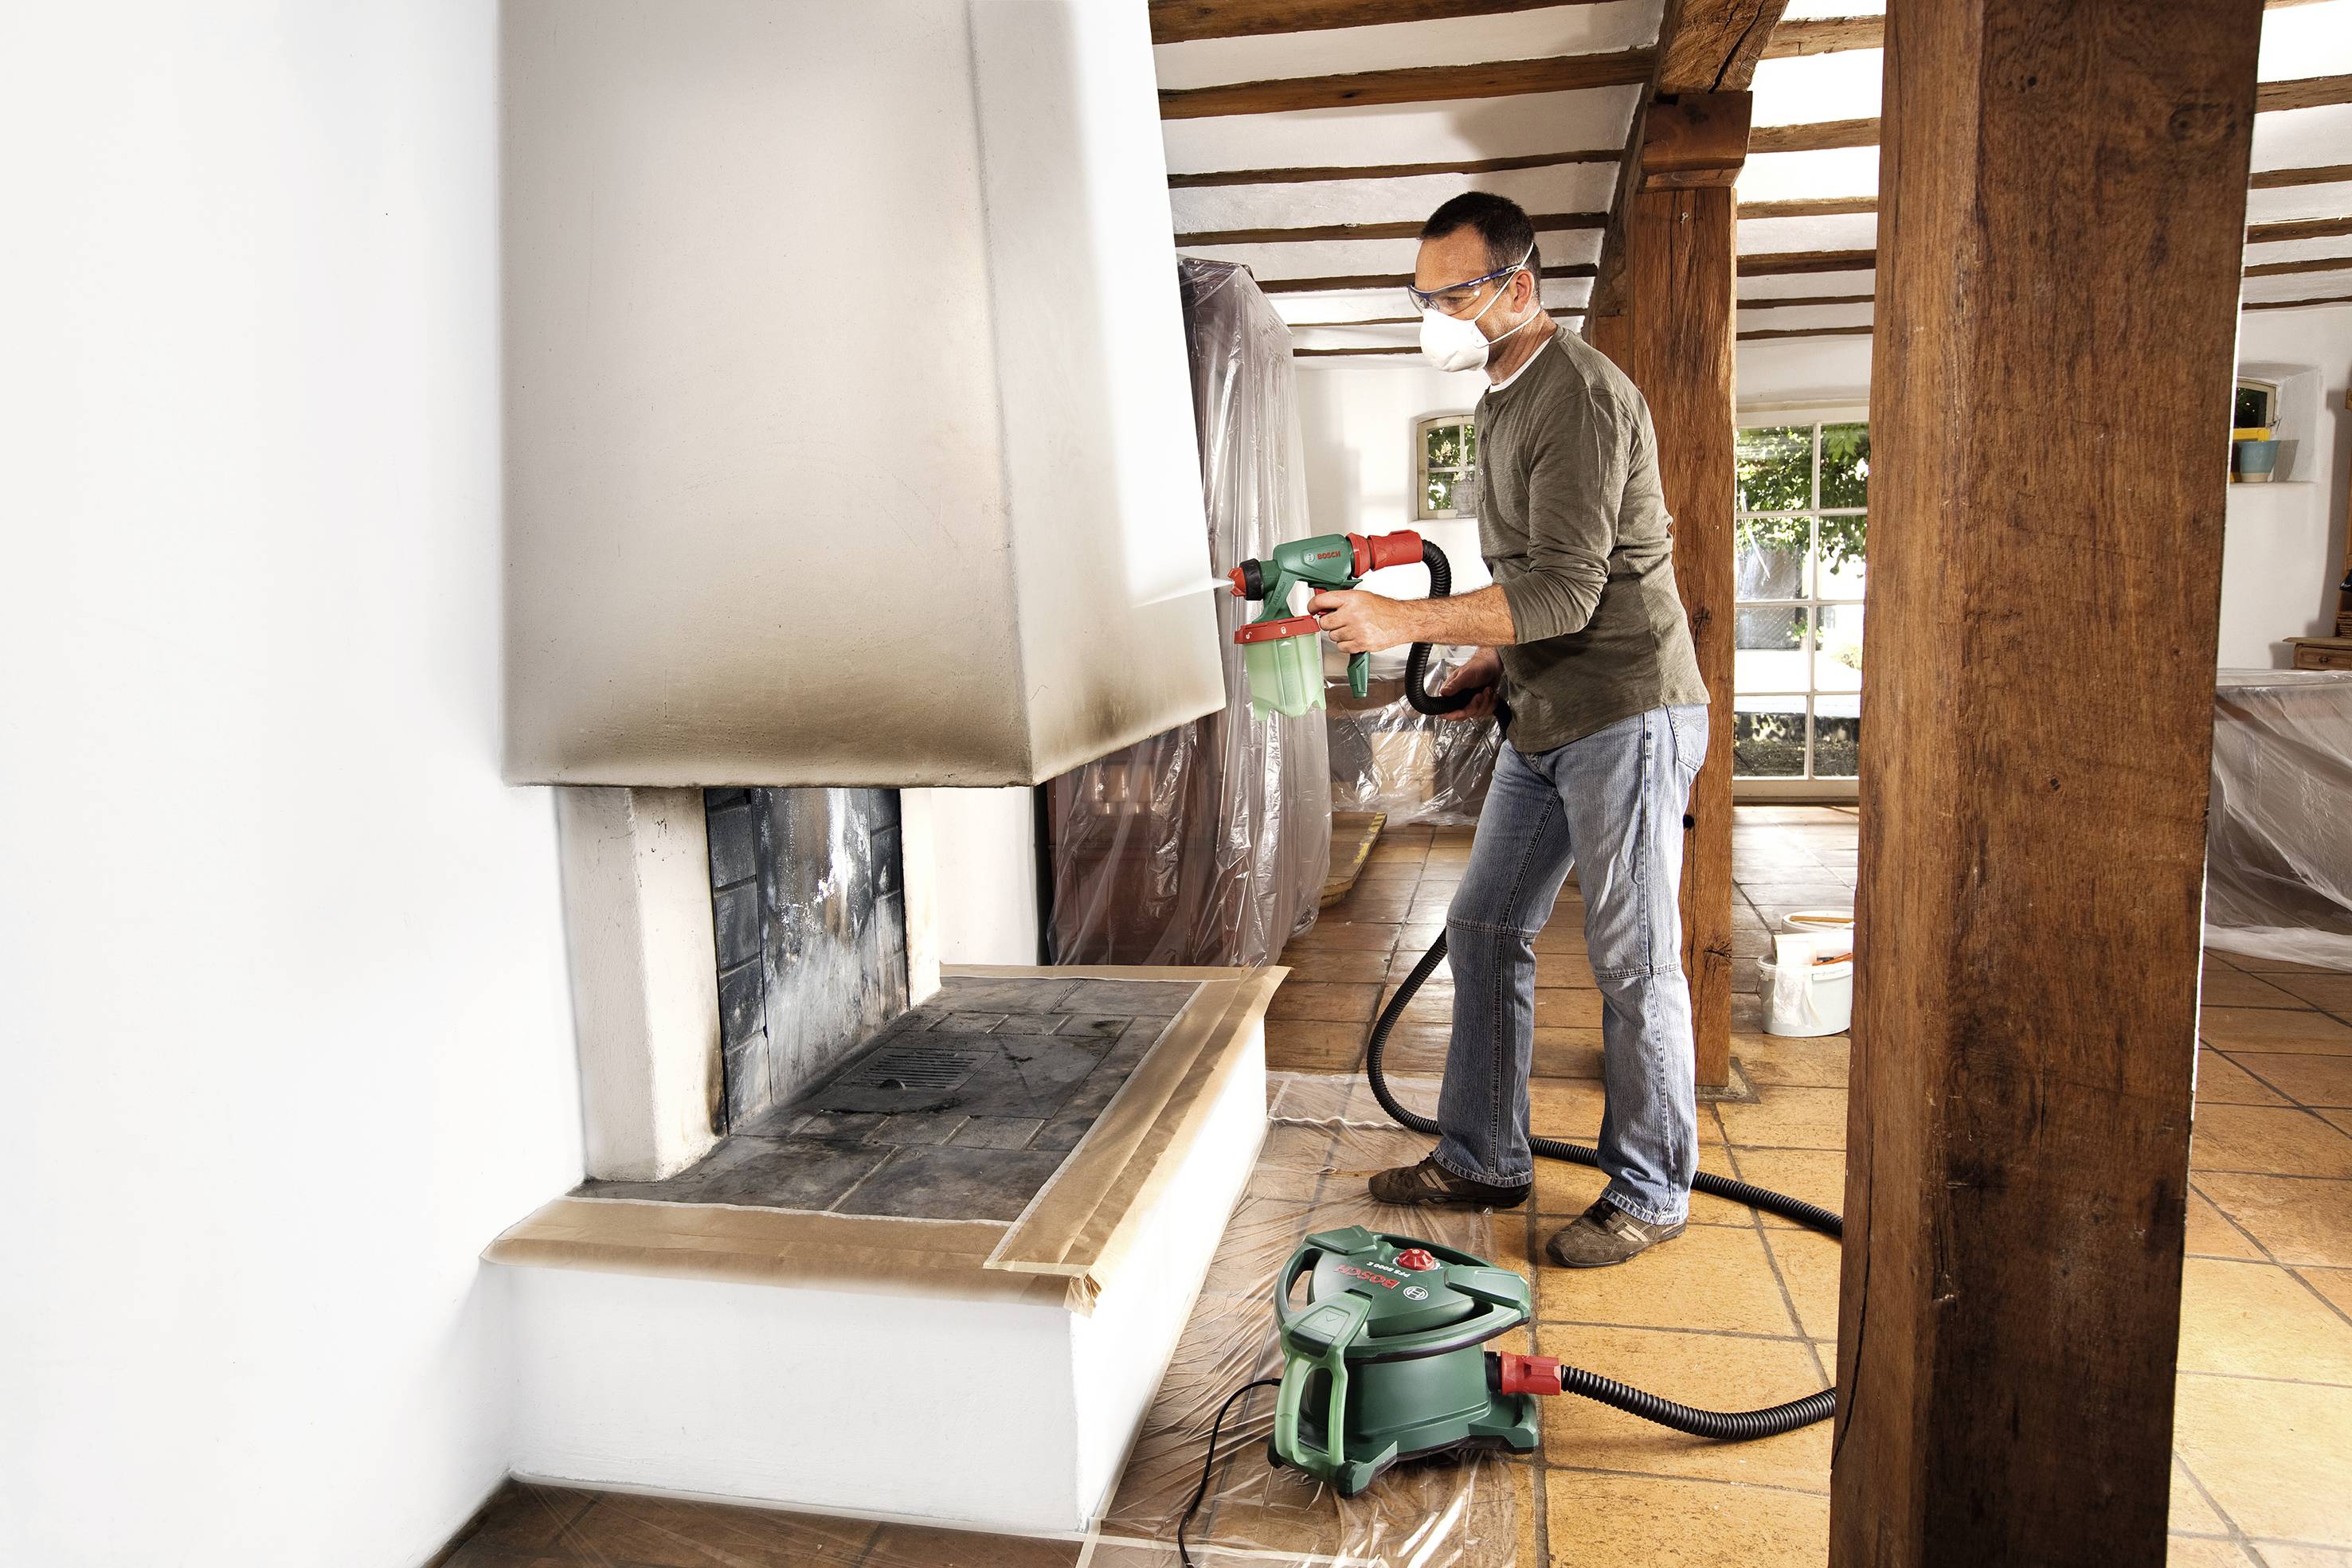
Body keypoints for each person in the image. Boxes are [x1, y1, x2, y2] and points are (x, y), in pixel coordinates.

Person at [1313, 191, 1710, 1268]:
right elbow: (1531, 583)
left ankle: (1651, 1188)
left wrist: (1405, 617)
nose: (1435, 313)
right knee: (1486, 925)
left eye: (1455, 293)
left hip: (1627, 709)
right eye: (1424, 294)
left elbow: (1571, 594)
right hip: (1550, 711)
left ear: (1518, 287)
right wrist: (1492, 654)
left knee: (1633, 960)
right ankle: (1484, 1153)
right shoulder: (1500, 397)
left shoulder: (1575, 396)